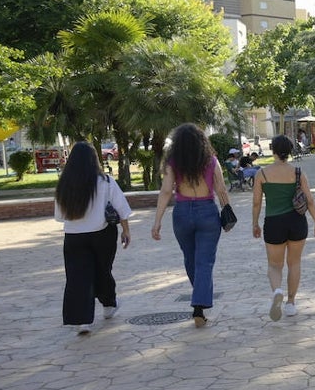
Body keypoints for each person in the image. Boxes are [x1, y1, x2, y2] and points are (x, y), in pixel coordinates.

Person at [152, 123, 232, 328]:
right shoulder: (211, 161)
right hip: (207, 212)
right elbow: (221, 189)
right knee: (204, 262)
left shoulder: (172, 162)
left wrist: (157, 221)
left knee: (190, 258)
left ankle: (199, 299)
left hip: (182, 213)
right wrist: (228, 211)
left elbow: (166, 191)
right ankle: (199, 305)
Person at [54, 141, 133, 334]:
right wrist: (126, 231)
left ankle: (82, 321)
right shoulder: (105, 181)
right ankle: (108, 305)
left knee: (77, 277)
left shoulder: (64, 184)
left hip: (73, 236)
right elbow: (121, 208)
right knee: (102, 270)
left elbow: (59, 216)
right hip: (102, 234)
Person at [252, 134, 315, 320]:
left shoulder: (262, 174)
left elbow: (256, 203)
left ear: (273, 151)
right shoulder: (298, 172)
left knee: (275, 265)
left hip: (274, 222)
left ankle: (277, 291)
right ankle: (291, 303)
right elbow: (310, 201)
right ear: (290, 151)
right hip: (297, 221)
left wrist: (255, 223)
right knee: (294, 263)